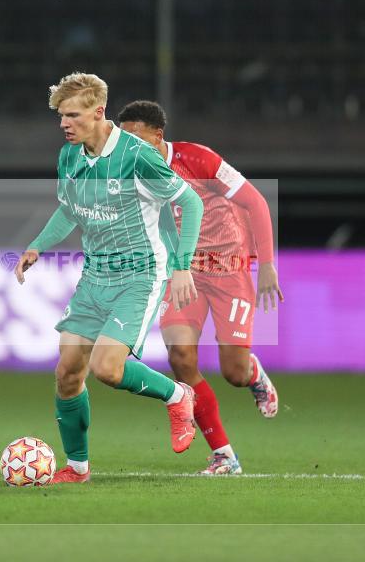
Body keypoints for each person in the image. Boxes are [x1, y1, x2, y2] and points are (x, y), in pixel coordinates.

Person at [14, 73, 206, 484]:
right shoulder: (69, 156)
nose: (64, 124)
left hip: (140, 274)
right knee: (67, 372)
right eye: (61, 116)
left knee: (107, 368)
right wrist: (37, 246)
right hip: (95, 274)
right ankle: (78, 468)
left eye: (73, 115)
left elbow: (189, 201)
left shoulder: (137, 155)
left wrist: (183, 265)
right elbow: (69, 208)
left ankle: (179, 395)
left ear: (99, 112)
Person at [117, 100, 283, 475]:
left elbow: (255, 202)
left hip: (229, 270)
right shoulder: (131, 174)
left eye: (133, 136)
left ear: (157, 135)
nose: (126, 145)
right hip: (183, 273)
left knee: (234, 372)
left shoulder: (199, 159)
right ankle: (224, 454)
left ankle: (253, 374)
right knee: (180, 358)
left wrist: (267, 265)